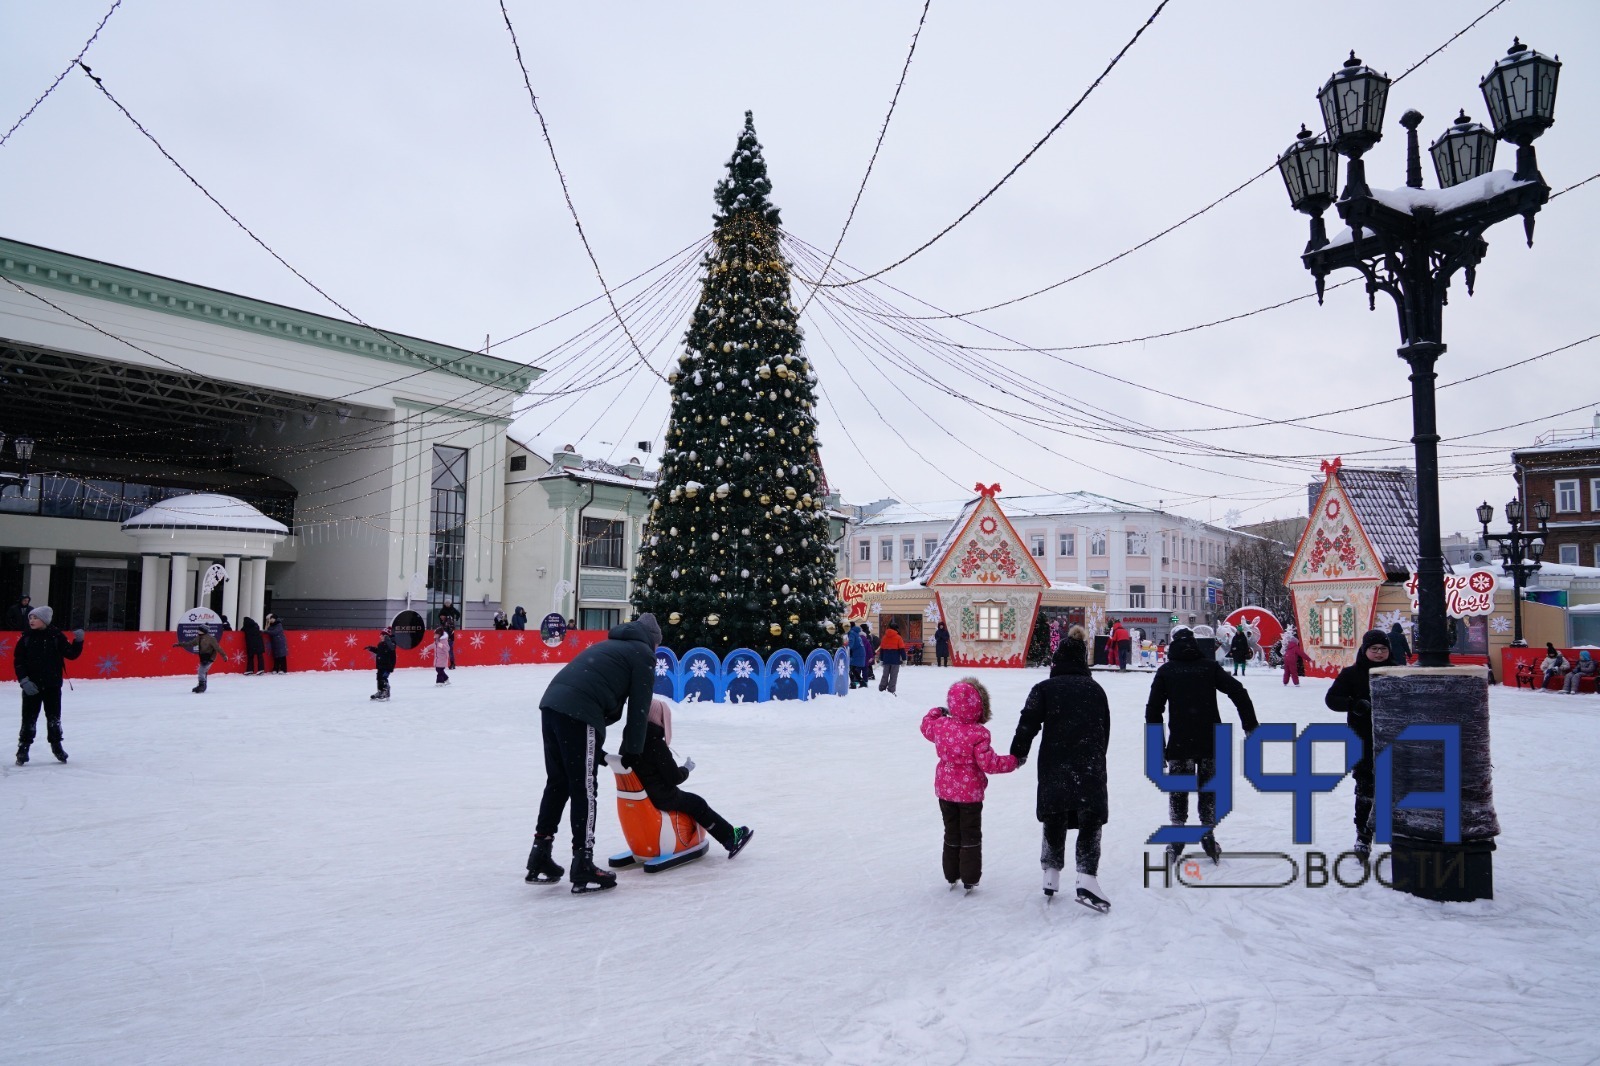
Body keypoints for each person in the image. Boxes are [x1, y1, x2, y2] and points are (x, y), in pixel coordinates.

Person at [526, 613, 659, 893]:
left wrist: (593, 747)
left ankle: (540, 855)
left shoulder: (610, 645)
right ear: (653, 641)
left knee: (558, 782)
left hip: (552, 705)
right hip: (579, 710)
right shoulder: (643, 654)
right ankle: (583, 862)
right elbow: (639, 709)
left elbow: (595, 683)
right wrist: (632, 751)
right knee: (584, 788)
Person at [1010, 626, 1111, 910]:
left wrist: (1018, 753)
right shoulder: (1095, 689)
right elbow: (1104, 728)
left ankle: (1051, 873)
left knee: (1054, 813)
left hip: (1054, 760)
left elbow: (1027, 723)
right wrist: (1098, 756)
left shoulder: (1044, 688)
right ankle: (1087, 876)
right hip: (1089, 761)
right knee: (1090, 816)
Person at [1145, 626, 1259, 864]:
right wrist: (1250, 725)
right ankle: (1208, 832)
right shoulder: (1209, 667)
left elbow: (1154, 710)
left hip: (1180, 742)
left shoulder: (1167, 671)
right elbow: (1238, 692)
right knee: (1208, 789)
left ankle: (1178, 834)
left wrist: (1157, 747)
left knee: (1179, 789)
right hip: (1210, 740)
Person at [608, 698, 753, 858]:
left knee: (691, 801)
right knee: (698, 803)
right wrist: (686, 769)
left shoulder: (629, 740)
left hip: (639, 796)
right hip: (661, 797)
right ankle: (730, 838)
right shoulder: (655, 744)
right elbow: (674, 778)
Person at [921, 678, 1017, 891]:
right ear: (980, 706)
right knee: (970, 833)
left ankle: (951, 873)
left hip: (945, 791)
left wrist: (937, 711)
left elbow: (926, 725)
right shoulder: (978, 733)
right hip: (970, 795)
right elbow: (989, 764)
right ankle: (970, 876)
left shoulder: (941, 726)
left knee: (951, 831)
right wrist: (1014, 761)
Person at [1325, 630, 1391, 856]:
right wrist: (1353, 704)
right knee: (1366, 789)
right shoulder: (1351, 674)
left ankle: (1396, 832)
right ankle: (1363, 834)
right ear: (1365, 650)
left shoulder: (1397, 672)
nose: (1379, 653)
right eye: (1374, 649)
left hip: (1394, 741)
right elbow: (1331, 699)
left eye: (1383, 649)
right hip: (1362, 740)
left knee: (1394, 789)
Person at [13, 605, 84, 765]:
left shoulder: (56, 636)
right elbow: (19, 662)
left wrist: (78, 641)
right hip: (32, 686)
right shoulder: (26, 638)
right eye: (30, 618)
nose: (31, 620)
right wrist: (24, 681)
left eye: (35, 618)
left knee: (54, 718)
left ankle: (57, 746)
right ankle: (23, 748)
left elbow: (71, 654)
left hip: (52, 685)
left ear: (44, 620)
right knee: (29, 719)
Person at [175, 625, 227, 693]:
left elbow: (218, 648)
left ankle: (202, 685)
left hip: (210, 657)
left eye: (200, 630)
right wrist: (180, 644)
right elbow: (190, 643)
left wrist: (224, 656)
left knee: (201, 671)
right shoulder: (198, 638)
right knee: (203, 671)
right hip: (203, 657)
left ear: (204, 631)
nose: (198, 631)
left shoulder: (211, 639)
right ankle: (202, 685)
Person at [366, 626, 396, 700]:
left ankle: (386, 692)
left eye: (381, 635)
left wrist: (387, 639)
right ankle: (380, 691)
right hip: (380, 664)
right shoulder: (381, 644)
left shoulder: (391, 643)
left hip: (387, 665)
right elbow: (379, 652)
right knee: (379, 678)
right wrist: (371, 648)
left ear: (386, 636)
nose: (380, 636)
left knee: (383, 678)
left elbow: (392, 648)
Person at [877, 623, 906, 695]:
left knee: (885, 675)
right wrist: (904, 659)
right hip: (895, 660)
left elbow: (882, 649)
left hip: (886, 659)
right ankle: (891, 690)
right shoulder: (898, 637)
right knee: (893, 676)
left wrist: (881, 659)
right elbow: (902, 649)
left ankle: (882, 688)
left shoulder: (884, 637)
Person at [437, 599, 461, 668]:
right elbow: (439, 616)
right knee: (443, 649)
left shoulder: (452, 609)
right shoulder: (443, 610)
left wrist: (456, 619)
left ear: (450, 604)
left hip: (450, 631)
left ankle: (452, 663)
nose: (447, 604)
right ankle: (442, 663)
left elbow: (458, 614)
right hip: (444, 631)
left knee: (450, 648)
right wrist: (442, 620)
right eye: (446, 603)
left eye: (448, 603)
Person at [847, 623, 867, 689]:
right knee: (853, 669)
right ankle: (861, 682)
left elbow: (851, 643)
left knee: (851, 668)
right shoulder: (856, 633)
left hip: (856, 653)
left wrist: (846, 648)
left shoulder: (852, 633)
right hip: (860, 652)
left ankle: (853, 683)